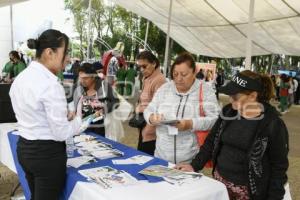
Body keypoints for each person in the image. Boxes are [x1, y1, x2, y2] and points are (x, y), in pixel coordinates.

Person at [175, 70, 289, 200]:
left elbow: (279, 168)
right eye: (229, 94)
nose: (230, 99)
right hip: (220, 186)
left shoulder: (273, 125)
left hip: (250, 193)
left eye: (235, 96)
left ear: (252, 96)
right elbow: (211, 141)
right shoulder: (228, 111)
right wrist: (194, 165)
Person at [9, 29, 83, 200]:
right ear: (50, 52)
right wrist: (79, 121)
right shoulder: (50, 84)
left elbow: (28, 110)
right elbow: (61, 133)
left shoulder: (21, 77)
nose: (68, 59)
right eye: (66, 53)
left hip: (24, 149)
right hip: (46, 156)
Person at [144, 53, 220, 163]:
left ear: (194, 72)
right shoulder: (165, 88)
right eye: (175, 74)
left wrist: (190, 124)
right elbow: (149, 109)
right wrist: (151, 118)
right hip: (161, 155)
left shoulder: (205, 91)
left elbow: (215, 119)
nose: (179, 79)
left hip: (188, 160)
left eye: (184, 74)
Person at [72, 62, 119, 137]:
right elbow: (70, 102)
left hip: (99, 127)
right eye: (81, 77)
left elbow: (116, 101)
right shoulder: (77, 87)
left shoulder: (104, 86)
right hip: (81, 127)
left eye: (85, 78)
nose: (82, 81)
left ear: (93, 77)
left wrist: (104, 109)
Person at [133, 51, 166, 155]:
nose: (142, 69)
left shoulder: (159, 80)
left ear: (154, 64)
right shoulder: (147, 78)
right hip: (143, 124)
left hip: (151, 129)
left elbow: (159, 108)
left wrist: (148, 131)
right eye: (139, 67)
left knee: (146, 159)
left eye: (144, 66)